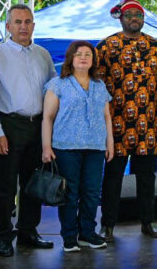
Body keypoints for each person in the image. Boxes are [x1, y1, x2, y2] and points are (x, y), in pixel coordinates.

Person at [0, 4, 57, 257]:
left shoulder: (44, 54)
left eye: (27, 21)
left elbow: (53, 92)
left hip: (38, 126)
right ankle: (4, 236)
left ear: (33, 25)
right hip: (10, 126)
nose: (23, 26)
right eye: (17, 22)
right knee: (5, 185)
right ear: (8, 26)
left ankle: (28, 231)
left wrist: (51, 129)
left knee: (33, 183)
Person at [96, 0, 157, 240]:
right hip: (116, 124)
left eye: (138, 14)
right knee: (113, 177)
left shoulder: (156, 47)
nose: (134, 19)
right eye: (129, 15)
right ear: (120, 17)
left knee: (147, 178)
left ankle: (148, 222)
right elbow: (97, 87)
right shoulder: (106, 47)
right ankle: (107, 224)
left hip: (148, 123)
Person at [41, 41, 113, 252]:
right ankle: (69, 236)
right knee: (70, 193)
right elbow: (47, 117)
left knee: (91, 192)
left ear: (93, 60)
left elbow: (107, 116)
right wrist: (46, 146)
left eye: (88, 55)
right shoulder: (58, 84)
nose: (83, 57)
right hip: (66, 146)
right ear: (71, 58)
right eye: (79, 54)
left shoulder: (100, 85)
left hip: (95, 147)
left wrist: (110, 142)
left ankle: (88, 233)